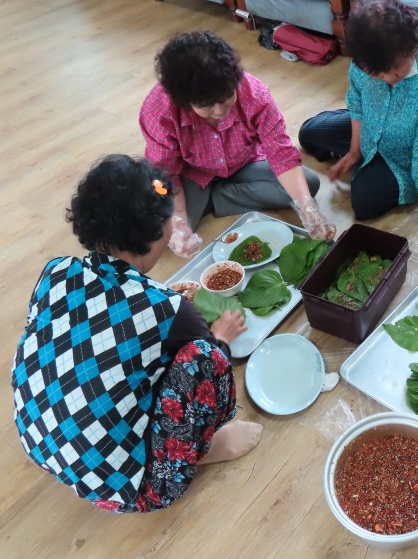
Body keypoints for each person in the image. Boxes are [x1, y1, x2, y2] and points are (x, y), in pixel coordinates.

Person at [12, 155, 263, 513]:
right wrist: (219, 338)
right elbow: (208, 362)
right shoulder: (170, 309)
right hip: (132, 491)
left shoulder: (56, 270)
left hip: (39, 444)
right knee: (206, 358)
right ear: (157, 233)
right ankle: (205, 449)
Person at [140, 30, 335, 256]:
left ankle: (212, 198)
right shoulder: (159, 111)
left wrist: (307, 208)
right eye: (206, 105)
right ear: (184, 100)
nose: (219, 111)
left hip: (244, 163)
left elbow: (281, 153)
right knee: (159, 228)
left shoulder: (255, 94)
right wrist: (179, 221)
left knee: (308, 185)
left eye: (226, 98)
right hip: (191, 174)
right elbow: (164, 176)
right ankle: (211, 199)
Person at [298, 0, 418, 230]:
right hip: (371, 127)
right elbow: (357, 100)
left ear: (412, 47)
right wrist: (355, 150)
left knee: (363, 201)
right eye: (378, 75)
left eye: (396, 70)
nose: (389, 79)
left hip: (408, 156)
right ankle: (364, 161)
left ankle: (374, 169)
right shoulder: (364, 57)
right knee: (308, 133)